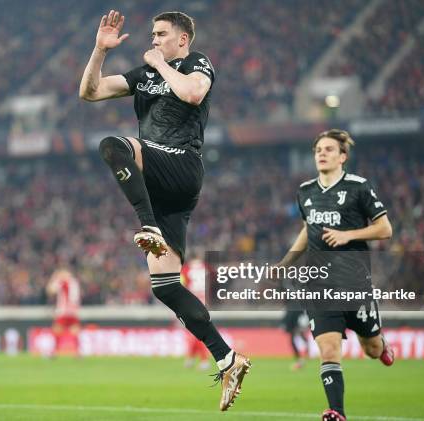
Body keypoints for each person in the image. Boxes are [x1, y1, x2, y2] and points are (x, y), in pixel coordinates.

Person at [79, 10, 250, 411]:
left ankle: (147, 225)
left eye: (161, 35)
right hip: (162, 187)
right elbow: (89, 92)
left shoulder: (197, 63)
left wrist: (159, 65)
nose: (153, 41)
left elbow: (192, 93)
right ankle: (227, 357)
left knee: (112, 146)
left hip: (180, 165)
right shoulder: (143, 74)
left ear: (183, 39)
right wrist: (99, 51)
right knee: (166, 286)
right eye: (153, 36)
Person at [277, 129, 395, 421]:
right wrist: (287, 262)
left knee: (371, 348)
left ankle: (381, 343)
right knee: (328, 349)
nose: (322, 153)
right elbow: (309, 229)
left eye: (329, 149)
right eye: (318, 149)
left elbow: (385, 229)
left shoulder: (358, 187)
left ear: (343, 157)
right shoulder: (305, 191)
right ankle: (337, 412)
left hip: (355, 283)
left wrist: (348, 235)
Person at [180, 255, 211, 370]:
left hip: (191, 302)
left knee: (195, 332)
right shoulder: (205, 267)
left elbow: (181, 285)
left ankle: (204, 360)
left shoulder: (186, 269)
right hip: (203, 302)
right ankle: (191, 358)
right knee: (195, 332)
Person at [46, 269, 81, 356]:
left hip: (63, 312)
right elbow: (76, 298)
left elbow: (50, 290)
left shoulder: (61, 282)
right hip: (73, 312)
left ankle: (54, 352)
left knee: (57, 331)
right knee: (75, 332)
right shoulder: (74, 282)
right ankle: (77, 352)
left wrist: (54, 278)